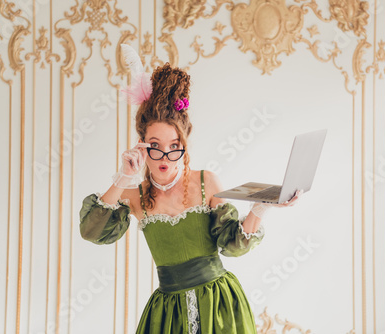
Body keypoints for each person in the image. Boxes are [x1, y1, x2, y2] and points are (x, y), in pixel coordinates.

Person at [79, 60, 302, 333]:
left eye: (174, 146)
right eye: (155, 147)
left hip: (220, 306)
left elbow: (233, 246)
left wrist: (259, 209)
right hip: (168, 315)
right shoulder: (133, 196)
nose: (165, 157)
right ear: (141, 145)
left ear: (184, 145)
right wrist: (124, 176)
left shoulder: (205, 182)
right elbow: (91, 230)